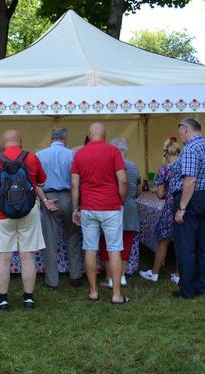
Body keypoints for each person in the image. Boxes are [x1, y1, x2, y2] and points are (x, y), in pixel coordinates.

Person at [0, 129, 53, 310]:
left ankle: (2, 300)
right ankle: (28, 299)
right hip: (28, 212)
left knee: (3, 258)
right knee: (28, 256)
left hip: (2, 213)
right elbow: (42, 183)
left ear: (4, 143)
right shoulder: (31, 157)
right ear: (20, 141)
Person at [71, 122, 129, 304]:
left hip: (88, 207)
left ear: (89, 134)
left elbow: (74, 184)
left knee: (90, 249)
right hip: (111, 207)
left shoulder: (79, 153)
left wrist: (75, 208)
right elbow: (123, 180)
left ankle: (93, 292)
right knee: (114, 250)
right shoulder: (113, 152)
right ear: (105, 134)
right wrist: (122, 199)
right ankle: (116, 294)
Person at [169, 118, 205, 299]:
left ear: (186, 129)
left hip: (190, 200)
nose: (180, 135)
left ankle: (187, 290)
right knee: (203, 246)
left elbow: (190, 180)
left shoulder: (191, 148)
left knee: (186, 247)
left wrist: (182, 207)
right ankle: (202, 287)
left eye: (180, 131)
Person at [36, 128, 83, 290]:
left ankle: (52, 281)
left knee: (49, 241)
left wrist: (43, 200)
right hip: (70, 197)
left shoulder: (40, 155)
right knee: (73, 237)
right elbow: (78, 181)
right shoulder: (72, 155)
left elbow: (35, 182)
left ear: (51, 138)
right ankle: (76, 276)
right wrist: (77, 204)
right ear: (64, 138)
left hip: (49, 197)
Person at [99, 138, 141, 288]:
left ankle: (110, 277)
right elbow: (138, 190)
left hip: (111, 208)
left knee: (107, 245)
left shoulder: (109, 166)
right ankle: (122, 276)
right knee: (125, 245)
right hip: (130, 210)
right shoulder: (134, 167)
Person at [139, 138, 182, 283]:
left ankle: (155, 273)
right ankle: (178, 275)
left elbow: (160, 194)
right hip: (184, 205)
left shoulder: (163, 170)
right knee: (182, 240)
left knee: (163, 241)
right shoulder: (185, 167)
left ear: (165, 154)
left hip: (170, 206)